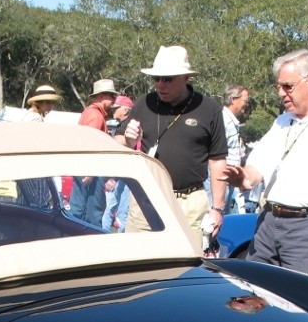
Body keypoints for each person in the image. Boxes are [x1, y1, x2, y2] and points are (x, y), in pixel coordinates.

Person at [227, 48, 308, 279]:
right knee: (253, 293)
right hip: (268, 222)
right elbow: (258, 166)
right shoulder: (281, 121)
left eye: (287, 86)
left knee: (303, 305)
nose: (281, 93)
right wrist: (243, 177)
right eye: (278, 86)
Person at [117, 45, 228, 249]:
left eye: (167, 79)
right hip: (146, 199)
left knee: (185, 272)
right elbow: (117, 142)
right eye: (156, 78)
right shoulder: (144, 103)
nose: (160, 84)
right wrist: (129, 140)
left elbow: (218, 160)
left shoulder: (209, 109)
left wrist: (218, 209)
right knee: (137, 265)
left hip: (190, 203)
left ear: (186, 78)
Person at [69, 79, 118, 225]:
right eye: (112, 96)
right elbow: (90, 143)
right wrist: (90, 170)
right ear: (102, 96)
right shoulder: (96, 116)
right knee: (92, 211)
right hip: (91, 169)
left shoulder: (89, 112)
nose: (114, 100)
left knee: (78, 207)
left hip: (83, 167)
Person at [212, 84, 249, 214]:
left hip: (230, 181)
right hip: (221, 181)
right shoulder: (223, 120)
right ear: (233, 99)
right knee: (216, 219)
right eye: (245, 101)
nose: (246, 104)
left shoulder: (231, 121)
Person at [103, 95, 134, 232]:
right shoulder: (121, 126)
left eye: (116, 108)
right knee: (111, 210)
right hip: (120, 177)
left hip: (126, 177)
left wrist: (113, 177)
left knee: (122, 213)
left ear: (126, 111)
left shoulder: (131, 128)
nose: (113, 111)